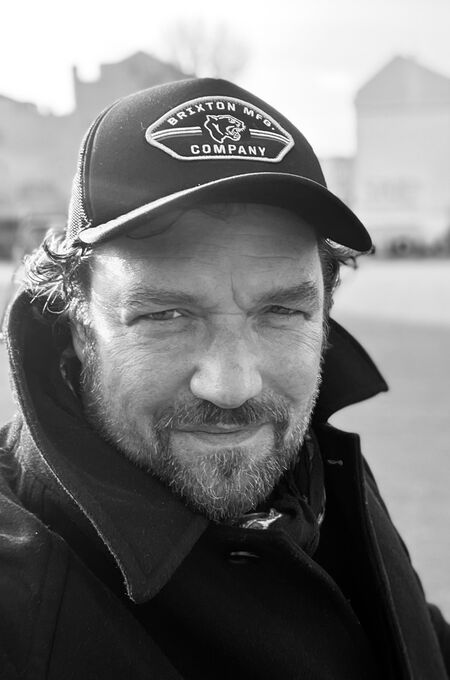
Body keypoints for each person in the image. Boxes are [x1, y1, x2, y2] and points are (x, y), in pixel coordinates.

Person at [0, 78, 448, 680]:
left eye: (281, 311)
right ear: (80, 324)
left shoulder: (325, 473)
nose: (233, 387)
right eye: (166, 315)